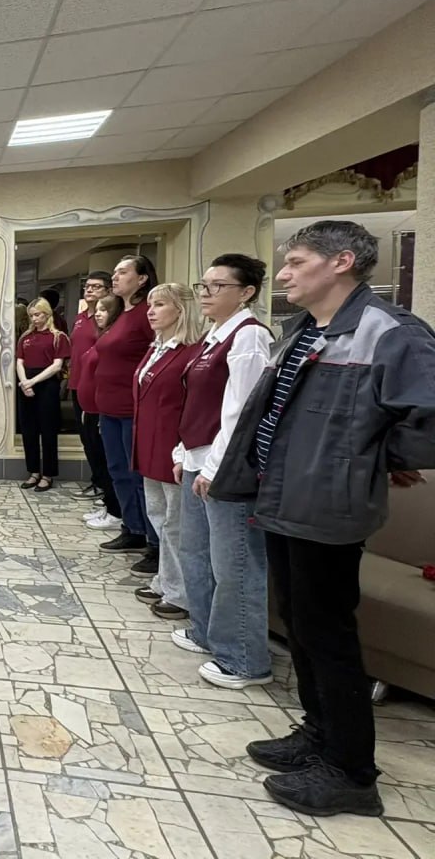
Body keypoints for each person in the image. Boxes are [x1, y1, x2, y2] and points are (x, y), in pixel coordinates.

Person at [212, 220, 435, 818]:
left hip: (326, 506)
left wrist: (374, 455)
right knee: (301, 626)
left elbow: (427, 418)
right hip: (282, 497)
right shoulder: (307, 330)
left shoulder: (389, 331)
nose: (283, 273)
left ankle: (351, 772)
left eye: (296, 261)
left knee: (328, 634)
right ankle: (318, 734)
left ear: (341, 262)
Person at [174, 255, 275, 689]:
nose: (206, 293)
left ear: (246, 292)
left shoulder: (249, 335)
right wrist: (184, 450)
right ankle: (205, 631)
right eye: (203, 285)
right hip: (197, 459)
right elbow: (197, 402)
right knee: (194, 552)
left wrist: (214, 467)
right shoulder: (213, 336)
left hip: (225, 468)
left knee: (234, 563)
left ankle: (244, 659)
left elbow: (241, 412)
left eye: (218, 286)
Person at [131, 283, 201, 620]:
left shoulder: (191, 352)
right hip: (149, 443)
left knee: (176, 523)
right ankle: (166, 579)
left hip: (173, 447)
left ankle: (181, 592)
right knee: (159, 517)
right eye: (150, 305)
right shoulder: (157, 347)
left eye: (160, 304)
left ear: (181, 309)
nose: (151, 311)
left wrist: (183, 450)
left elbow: (194, 406)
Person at [93, 255, 159, 575]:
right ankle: (132, 528)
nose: (115, 277)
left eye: (123, 272)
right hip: (109, 409)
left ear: (142, 278)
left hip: (133, 410)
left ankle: (154, 542)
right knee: (118, 472)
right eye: (115, 272)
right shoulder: (121, 313)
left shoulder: (148, 312)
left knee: (138, 477)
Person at [16, 298, 71, 492]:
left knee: (48, 430)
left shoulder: (58, 337)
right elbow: (19, 362)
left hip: (47, 384)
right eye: (31, 316)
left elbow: (57, 365)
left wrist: (33, 382)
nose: (34, 319)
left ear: (47, 314)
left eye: (38, 315)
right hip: (26, 384)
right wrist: (25, 382)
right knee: (28, 431)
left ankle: (47, 475)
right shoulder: (25, 337)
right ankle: (33, 472)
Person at [80, 295, 124, 532]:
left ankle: (116, 512)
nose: (97, 313)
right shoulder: (102, 338)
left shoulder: (113, 342)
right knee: (99, 462)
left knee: (109, 464)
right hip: (91, 410)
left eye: (104, 310)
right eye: (96, 309)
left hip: (102, 411)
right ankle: (108, 505)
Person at [69, 272, 112, 502]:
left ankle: (107, 489)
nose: (89, 290)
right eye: (87, 286)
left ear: (108, 291)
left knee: (99, 440)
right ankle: (97, 482)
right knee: (86, 439)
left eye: (96, 287)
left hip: (97, 388)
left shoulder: (107, 319)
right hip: (78, 385)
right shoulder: (80, 318)